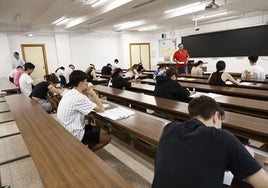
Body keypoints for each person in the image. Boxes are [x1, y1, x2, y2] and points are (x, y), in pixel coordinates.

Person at [152, 95, 268, 188]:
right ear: (215, 116)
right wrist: (246, 155)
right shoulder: (222, 137)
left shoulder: (169, 128)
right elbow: (264, 183)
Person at [57, 70, 111, 152]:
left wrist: (85, 94)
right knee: (107, 138)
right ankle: (86, 153)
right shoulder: (79, 97)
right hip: (74, 133)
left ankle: (89, 145)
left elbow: (84, 104)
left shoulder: (69, 92)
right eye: (86, 82)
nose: (87, 84)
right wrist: (93, 93)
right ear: (81, 83)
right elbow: (101, 109)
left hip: (65, 128)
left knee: (96, 128)